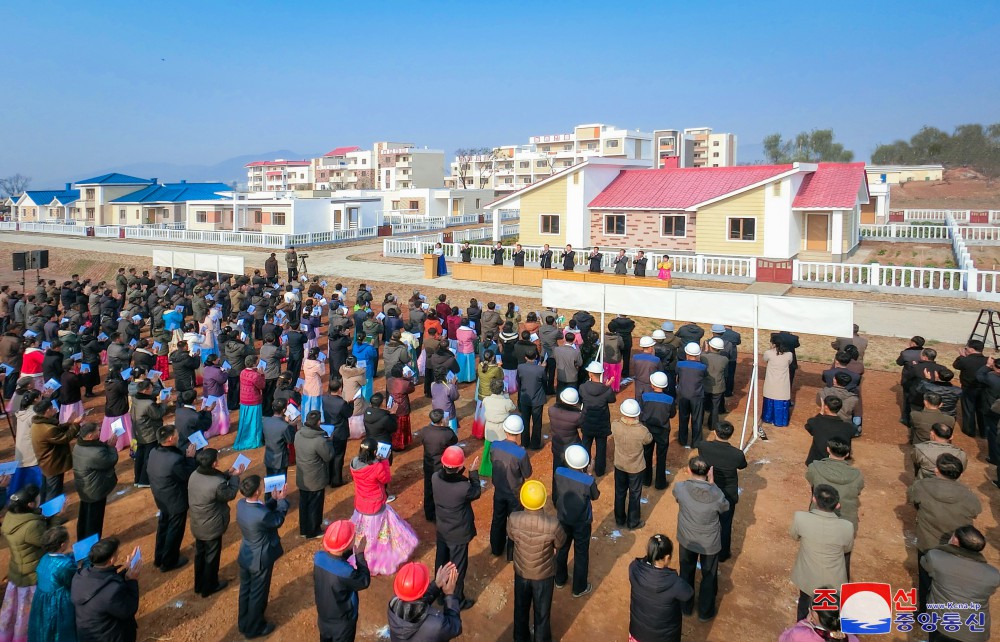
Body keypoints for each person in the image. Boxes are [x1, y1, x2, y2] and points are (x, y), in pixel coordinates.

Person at [908, 453, 982, 611]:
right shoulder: (969, 496)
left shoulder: (921, 486)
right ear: (960, 475)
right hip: (956, 546)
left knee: (926, 580)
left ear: (936, 470)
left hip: (927, 543)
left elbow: (913, 500)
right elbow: (975, 512)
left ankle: (924, 613)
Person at [349, 438, 418, 575]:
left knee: (361, 532)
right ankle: (374, 560)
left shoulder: (354, 463)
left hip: (361, 503)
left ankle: (359, 552)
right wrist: (384, 460)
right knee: (378, 535)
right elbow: (386, 479)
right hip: (375, 505)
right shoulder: (377, 467)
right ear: (375, 451)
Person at [507, 480, 566, 642]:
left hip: (521, 572)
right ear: (542, 502)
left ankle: (520, 638)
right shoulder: (553, 525)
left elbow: (512, 536)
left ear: (522, 500)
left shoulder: (514, 518)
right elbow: (560, 543)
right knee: (542, 614)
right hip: (543, 575)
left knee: (520, 609)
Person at [672, 456, 728, 622]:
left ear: (689, 470)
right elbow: (725, 507)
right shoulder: (716, 494)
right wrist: (712, 483)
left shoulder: (681, 488)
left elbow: (677, 496)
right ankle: (705, 611)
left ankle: (685, 607)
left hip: (687, 539)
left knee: (686, 572)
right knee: (709, 575)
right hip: (709, 542)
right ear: (709, 472)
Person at [920, 525, 999, 642]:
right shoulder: (994, 574)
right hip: (976, 633)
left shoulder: (935, 557)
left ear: (955, 541)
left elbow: (924, 564)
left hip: (943, 626)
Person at [789, 485, 854, 621]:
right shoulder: (847, 527)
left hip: (808, 578)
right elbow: (847, 549)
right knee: (830, 618)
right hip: (834, 583)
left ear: (814, 499)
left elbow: (794, 536)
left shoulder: (800, 518)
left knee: (804, 609)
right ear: (837, 505)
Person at [236, 474, 289, 639]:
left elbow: (262, 512)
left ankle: (243, 621)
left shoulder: (241, 504)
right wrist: (281, 501)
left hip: (246, 554)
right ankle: (254, 628)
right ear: (258, 491)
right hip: (260, 559)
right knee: (258, 594)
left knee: (245, 589)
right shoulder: (261, 515)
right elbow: (276, 520)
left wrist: (272, 500)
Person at [188, 447, 243, 598]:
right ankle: (210, 586)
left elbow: (213, 481)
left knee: (200, 554)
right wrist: (235, 477)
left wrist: (228, 473)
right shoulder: (217, 484)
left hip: (198, 523)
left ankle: (199, 585)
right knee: (211, 557)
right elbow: (229, 494)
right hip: (212, 526)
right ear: (213, 464)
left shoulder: (194, 474)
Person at [432, 446, 481, 610]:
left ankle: (438, 593)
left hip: (442, 530)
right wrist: (473, 473)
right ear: (460, 467)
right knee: (457, 568)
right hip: (458, 533)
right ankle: (456, 600)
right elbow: (476, 492)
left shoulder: (435, 478)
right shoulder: (463, 487)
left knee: (441, 561)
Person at [0, 486, 49, 642]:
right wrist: (56, 518)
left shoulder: (10, 517)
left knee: (14, 614)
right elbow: (49, 542)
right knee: (28, 615)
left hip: (17, 573)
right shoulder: (32, 526)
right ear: (30, 505)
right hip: (32, 578)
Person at [71, 537, 141, 642]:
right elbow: (128, 610)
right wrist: (132, 581)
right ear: (111, 560)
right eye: (117, 553)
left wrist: (126, 573)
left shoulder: (80, 575)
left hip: (88, 636)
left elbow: (103, 583)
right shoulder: (112, 592)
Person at [147, 425, 197, 572]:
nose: (178, 436)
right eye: (176, 434)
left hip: (161, 496)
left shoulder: (154, 451)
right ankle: (169, 561)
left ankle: (159, 556)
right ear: (170, 439)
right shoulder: (175, 460)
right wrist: (190, 458)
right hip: (175, 499)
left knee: (163, 525)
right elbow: (187, 474)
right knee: (175, 529)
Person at [696, 421, 747, 562]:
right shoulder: (737, 454)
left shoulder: (703, 446)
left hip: (708, 490)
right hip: (728, 494)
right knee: (725, 524)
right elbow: (742, 466)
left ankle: (703, 549)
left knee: (705, 520)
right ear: (730, 435)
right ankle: (723, 554)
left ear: (715, 432)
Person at [628, 534, 693, 642]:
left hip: (637, 633)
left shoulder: (634, 568)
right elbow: (688, 593)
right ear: (667, 557)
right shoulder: (674, 582)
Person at [554, 444, 599, 598]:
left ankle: (559, 579)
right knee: (581, 553)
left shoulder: (559, 472)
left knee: (562, 548)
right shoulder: (587, 481)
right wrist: (589, 474)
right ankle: (579, 588)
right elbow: (595, 495)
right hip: (582, 522)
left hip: (563, 518)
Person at [313, 521, 371, 642]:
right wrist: (359, 554)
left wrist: (350, 550)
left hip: (324, 618)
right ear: (347, 545)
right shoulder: (347, 572)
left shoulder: (318, 557)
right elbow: (364, 581)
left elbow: (336, 559)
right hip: (343, 623)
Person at [489, 416, 532, 558]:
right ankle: (511, 554)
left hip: (499, 490)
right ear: (519, 433)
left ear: (505, 429)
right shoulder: (521, 453)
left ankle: (496, 548)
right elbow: (528, 473)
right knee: (515, 523)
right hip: (515, 493)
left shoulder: (494, 445)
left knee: (498, 519)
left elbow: (492, 460)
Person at [387, 562, 463, 641]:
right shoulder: (437, 624)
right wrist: (450, 595)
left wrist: (436, 585)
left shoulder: (393, 604)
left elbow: (414, 601)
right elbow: (456, 627)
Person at [806, 437, 863, 539]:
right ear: (847, 454)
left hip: (818, 518)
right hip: (845, 522)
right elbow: (858, 490)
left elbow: (811, 481)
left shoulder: (814, 467)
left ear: (828, 449)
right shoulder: (857, 475)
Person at [27, 525, 75, 642]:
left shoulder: (44, 558)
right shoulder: (66, 565)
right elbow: (73, 581)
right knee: (60, 631)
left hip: (41, 601)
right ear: (62, 545)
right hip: (59, 604)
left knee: (44, 629)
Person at [72, 421, 119, 540]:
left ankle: (82, 540)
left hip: (85, 489)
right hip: (95, 490)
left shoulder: (79, 445)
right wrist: (112, 447)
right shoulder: (95, 453)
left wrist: (106, 445)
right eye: (97, 430)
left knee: (84, 516)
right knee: (95, 519)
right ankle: (92, 545)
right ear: (89, 436)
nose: (100, 431)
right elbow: (110, 460)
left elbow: (97, 450)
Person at [30, 398, 81, 503]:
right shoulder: (48, 429)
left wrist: (68, 423)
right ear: (47, 411)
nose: (54, 409)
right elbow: (65, 438)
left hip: (46, 463)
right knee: (54, 491)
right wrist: (75, 425)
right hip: (53, 464)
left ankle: (43, 509)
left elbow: (56, 430)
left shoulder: (37, 424)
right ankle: (52, 516)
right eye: (52, 408)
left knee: (46, 489)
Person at [612, 399, 653, 530]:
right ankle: (633, 521)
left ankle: (619, 519)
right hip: (635, 467)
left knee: (619, 492)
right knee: (635, 494)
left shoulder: (615, 425)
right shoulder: (642, 431)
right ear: (637, 414)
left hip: (619, 465)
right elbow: (649, 440)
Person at [295, 410, 336, 538]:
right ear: (318, 422)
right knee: (315, 505)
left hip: (302, 476)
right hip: (315, 478)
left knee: (304, 503)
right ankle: (313, 531)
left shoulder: (298, 434)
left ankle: (304, 529)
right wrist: (329, 442)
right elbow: (328, 456)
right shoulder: (319, 441)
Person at [579, 362, 615, 477]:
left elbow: (581, 397)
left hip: (587, 421)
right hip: (601, 423)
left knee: (585, 445)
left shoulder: (583, 387)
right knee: (601, 447)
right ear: (601, 374)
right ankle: (600, 470)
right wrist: (607, 386)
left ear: (590, 373)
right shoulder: (606, 390)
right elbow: (612, 399)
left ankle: (584, 467)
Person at [422, 409, 458, 522]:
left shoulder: (424, 430)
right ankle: (441, 515)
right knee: (442, 489)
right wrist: (446, 427)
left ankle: (429, 514)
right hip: (441, 465)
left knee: (428, 488)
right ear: (442, 420)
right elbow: (454, 441)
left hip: (428, 463)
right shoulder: (447, 433)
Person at [778, 598, 860, 642]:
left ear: (812, 616)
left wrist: (805, 623)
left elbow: (783, 639)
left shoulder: (799, 634)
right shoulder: (852, 639)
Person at [804, 397, 856, 465]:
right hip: (838, 464)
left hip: (816, 463)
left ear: (825, 407)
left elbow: (809, 426)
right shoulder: (849, 427)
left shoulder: (816, 423)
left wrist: (821, 412)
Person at [953, 339, 987, 438]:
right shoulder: (988, 360)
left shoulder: (964, 360)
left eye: (966, 348)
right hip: (984, 389)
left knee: (968, 410)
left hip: (968, 388)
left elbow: (956, 365)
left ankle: (969, 431)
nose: (965, 350)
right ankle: (984, 433)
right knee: (982, 410)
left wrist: (961, 356)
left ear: (971, 349)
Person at [676, 343, 707, 448]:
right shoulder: (702, 367)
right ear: (698, 355)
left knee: (683, 418)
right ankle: (696, 442)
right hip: (697, 396)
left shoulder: (680, 364)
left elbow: (678, 374)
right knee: (697, 419)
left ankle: (682, 440)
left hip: (683, 395)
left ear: (686, 353)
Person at [516, 347, 546, 451]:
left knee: (525, 420)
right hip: (537, 399)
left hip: (525, 398)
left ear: (525, 357)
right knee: (537, 422)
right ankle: (535, 444)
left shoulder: (520, 367)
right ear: (536, 356)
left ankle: (524, 442)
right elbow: (544, 382)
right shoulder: (541, 369)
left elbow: (518, 381)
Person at [234, 356, 266, 450]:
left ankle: (244, 438)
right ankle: (255, 441)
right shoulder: (255, 375)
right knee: (255, 422)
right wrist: (262, 375)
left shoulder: (242, 372)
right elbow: (262, 386)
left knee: (245, 421)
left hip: (244, 400)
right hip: (254, 401)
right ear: (254, 363)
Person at [762, 339, 793, 429]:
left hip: (771, 381)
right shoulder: (789, 354)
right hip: (782, 382)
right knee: (781, 399)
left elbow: (764, 359)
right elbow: (789, 362)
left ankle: (768, 418)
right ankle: (780, 421)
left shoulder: (768, 353)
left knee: (770, 397)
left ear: (774, 344)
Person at [262, 400, 296, 478]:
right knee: (280, 485)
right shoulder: (285, 426)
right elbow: (290, 440)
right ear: (284, 410)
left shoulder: (265, 421)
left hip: (269, 458)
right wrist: (290, 425)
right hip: (280, 460)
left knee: (270, 483)